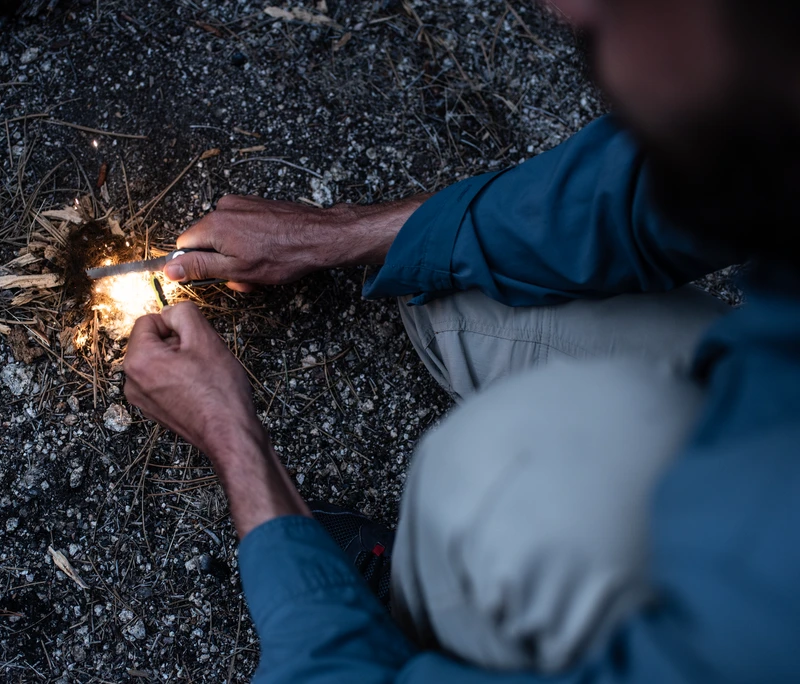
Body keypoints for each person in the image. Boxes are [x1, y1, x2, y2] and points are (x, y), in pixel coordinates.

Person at [123, 0, 800, 681]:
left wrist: (230, 434)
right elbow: (639, 188)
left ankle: (430, 638)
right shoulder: (767, 106)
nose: (564, 8)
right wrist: (336, 235)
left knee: (478, 481)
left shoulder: (764, 605)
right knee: (460, 285)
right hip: (771, 402)